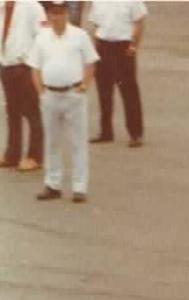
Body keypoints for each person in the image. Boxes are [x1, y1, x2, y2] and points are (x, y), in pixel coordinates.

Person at [27, 0, 98, 203]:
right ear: (48, 15)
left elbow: (91, 62)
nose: (56, 17)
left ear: (66, 13)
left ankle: (79, 187)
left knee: (78, 142)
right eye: (53, 13)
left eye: (60, 12)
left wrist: (84, 86)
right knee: (52, 142)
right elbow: (35, 68)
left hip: (73, 94)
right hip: (50, 95)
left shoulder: (79, 36)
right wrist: (41, 92)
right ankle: (53, 184)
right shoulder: (41, 38)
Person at [88, 0, 145, 147]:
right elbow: (96, 25)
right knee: (104, 92)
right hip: (103, 45)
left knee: (129, 91)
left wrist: (134, 46)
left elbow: (139, 22)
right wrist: (94, 48)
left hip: (123, 46)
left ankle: (135, 134)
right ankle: (106, 131)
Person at [1, 0, 45, 172]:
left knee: (31, 111)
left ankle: (35, 156)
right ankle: (12, 154)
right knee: (12, 111)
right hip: (6, 64)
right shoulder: (2, 7)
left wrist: (34, 65)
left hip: (26, 67)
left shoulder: (32, 7)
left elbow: (42, 38)